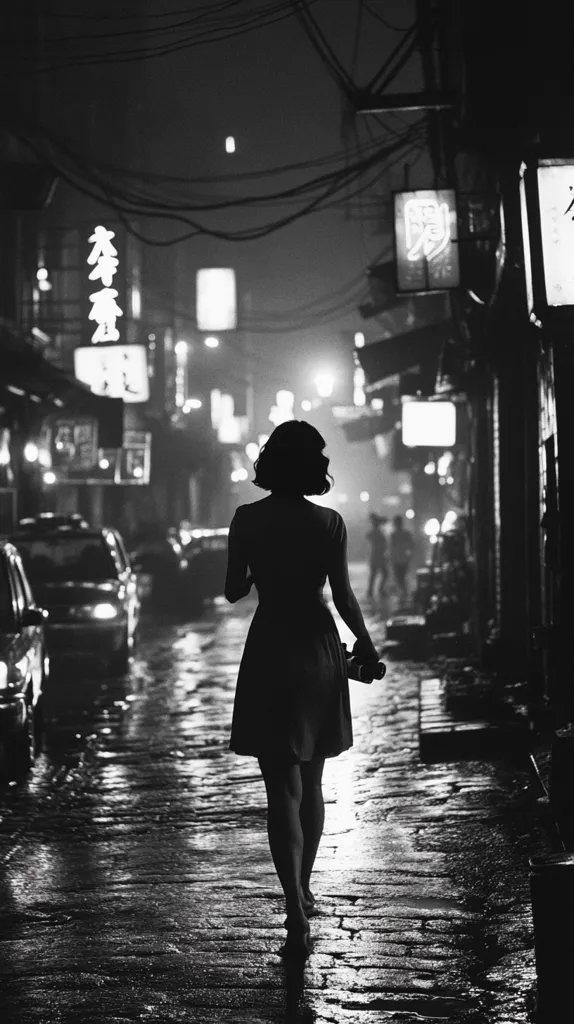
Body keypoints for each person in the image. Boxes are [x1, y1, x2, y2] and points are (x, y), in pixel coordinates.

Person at [225, 421, 380, 960]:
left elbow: (231, 590)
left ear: (269, 464)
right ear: (313, 467)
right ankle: (307, 887)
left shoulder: (246, 519)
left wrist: (253, 574)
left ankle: (292, 903)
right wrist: (367, 645)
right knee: (312, 780)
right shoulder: (330, 524)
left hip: (270, 648)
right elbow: (343, 597)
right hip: (318, 650)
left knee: (280, 789)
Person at [389, 514, 414, 605]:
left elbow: (391, 548)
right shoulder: (403, 534)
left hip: (400, 560)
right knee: (400, 578)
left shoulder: (396, 534)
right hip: (400, 559)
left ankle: (404, 595)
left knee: (400, 578)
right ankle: (404, 594)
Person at [366, 513, 388, 600]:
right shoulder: (376, 532)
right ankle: (378, 590)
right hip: (377, 556)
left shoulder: (377, 531)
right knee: (382, 574)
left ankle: (372, 591)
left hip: (377, 556)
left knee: (375, 575)